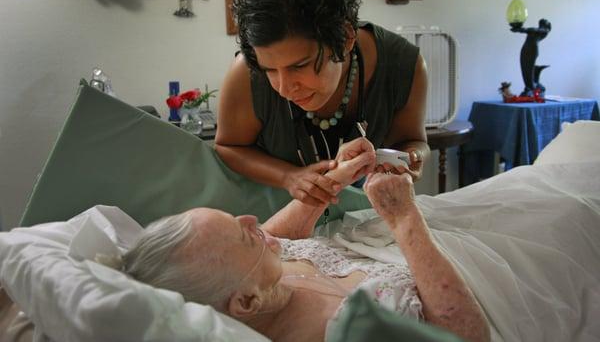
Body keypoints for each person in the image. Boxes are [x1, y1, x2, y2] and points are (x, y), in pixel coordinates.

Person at [124, 138, 489, 342]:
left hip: (453, 232)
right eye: (245, 235)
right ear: (247, 302)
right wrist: (404, 217)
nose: (253, 221)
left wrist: (337, 177)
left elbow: (277, 233)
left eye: (234, 218)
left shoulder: (253, 274)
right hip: (484, 280)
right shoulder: (344, 333)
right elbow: (467, 337)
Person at [215, 0, 430, 208]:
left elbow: (415, 142)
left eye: (300, 65)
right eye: (269, 70)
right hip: (270, 220)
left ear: (346, 38)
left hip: (362, 222)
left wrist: (412, 158)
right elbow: (228, 146)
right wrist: (288, 177)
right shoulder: (245, 73)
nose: (285, 88)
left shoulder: (405, 66)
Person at [510, 18, 551, 97]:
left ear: (546, 25)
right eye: (540, 23)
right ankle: (529, 86)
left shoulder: (544, 31)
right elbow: (531, 30)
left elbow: (534, 30)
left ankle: (532, 87)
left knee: (529, 68)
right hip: (525, 48)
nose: (541, 24)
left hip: (532, 49)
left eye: (543, 23)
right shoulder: (536, 30)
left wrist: (522, 29)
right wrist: (520, 30)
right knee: (524, 68)